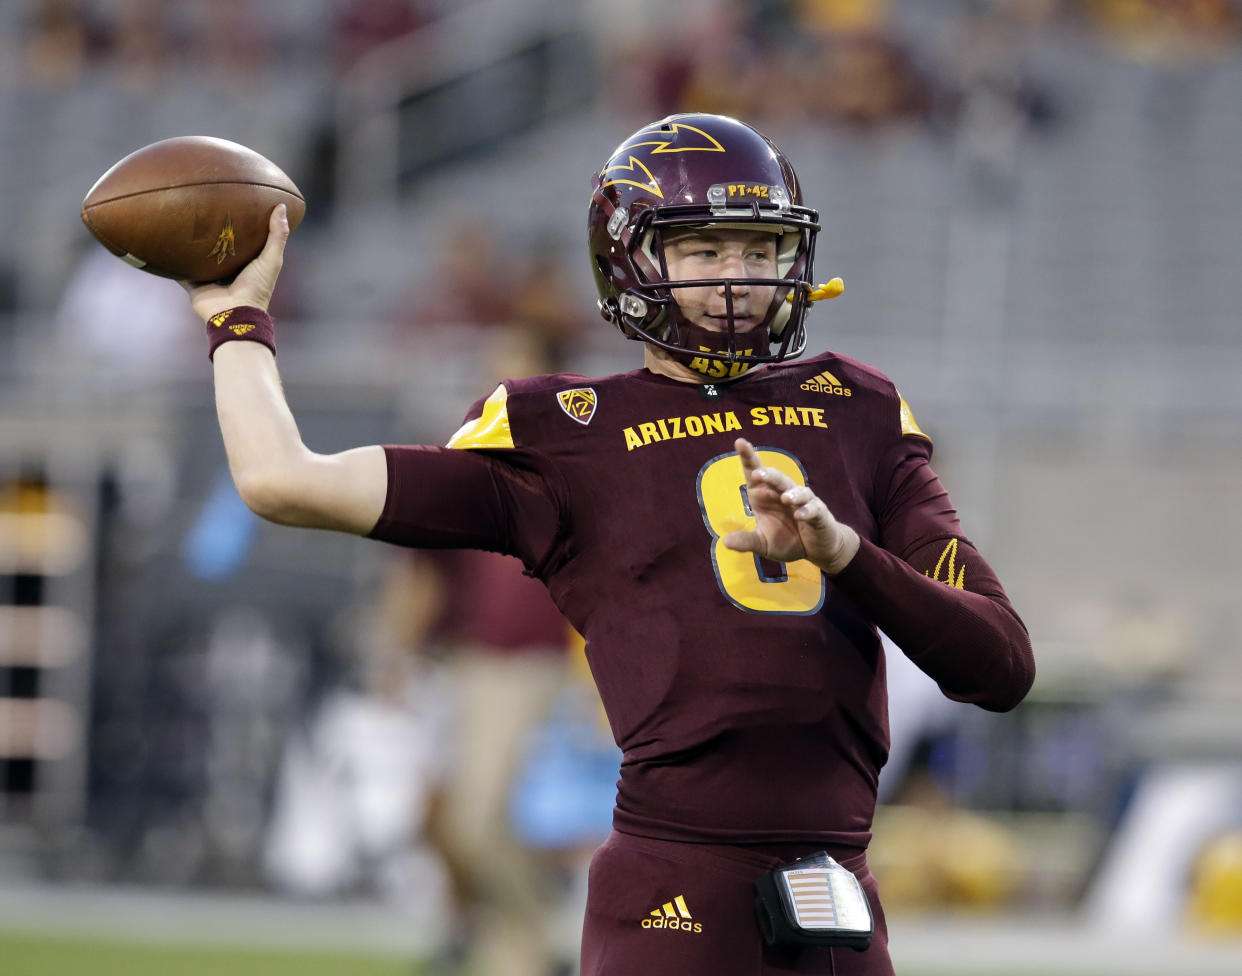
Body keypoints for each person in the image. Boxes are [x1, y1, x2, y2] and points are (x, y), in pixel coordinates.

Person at [183, 113, 1035, 976]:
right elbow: (280, 479)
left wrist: (846, 553)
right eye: (702, 250)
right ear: (631, 262)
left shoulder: (858, 408)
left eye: (757, 248)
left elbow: (1001, 665)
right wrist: (237, 321)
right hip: (675, 891)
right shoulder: (564, 431)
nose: (736, 277)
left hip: (838, 885)